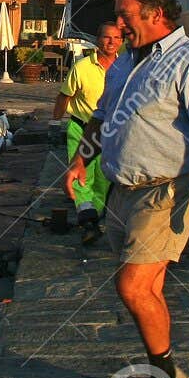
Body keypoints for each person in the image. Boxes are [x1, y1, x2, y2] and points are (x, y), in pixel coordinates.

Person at [66, 0, 189, 378]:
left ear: (155, 14)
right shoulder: (124, 62)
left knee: (132, 287)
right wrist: (81, 161)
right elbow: (101, 118)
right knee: (149, 287)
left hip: (167, 189)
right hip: (123, 191)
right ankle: (169, 373)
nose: (118, 24)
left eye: (125, 14)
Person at [55, 20, 124, 244]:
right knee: (81, 175)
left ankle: (93, 216)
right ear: (97, 40)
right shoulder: (82, 67)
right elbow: (64, 96)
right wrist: (55, 121)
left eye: (116, 37)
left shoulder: (125, 69)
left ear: (121, 41)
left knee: (103, 179)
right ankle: (88, 221)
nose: (111, 42)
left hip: (110, 132)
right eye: (106, 37)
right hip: (81, 127)